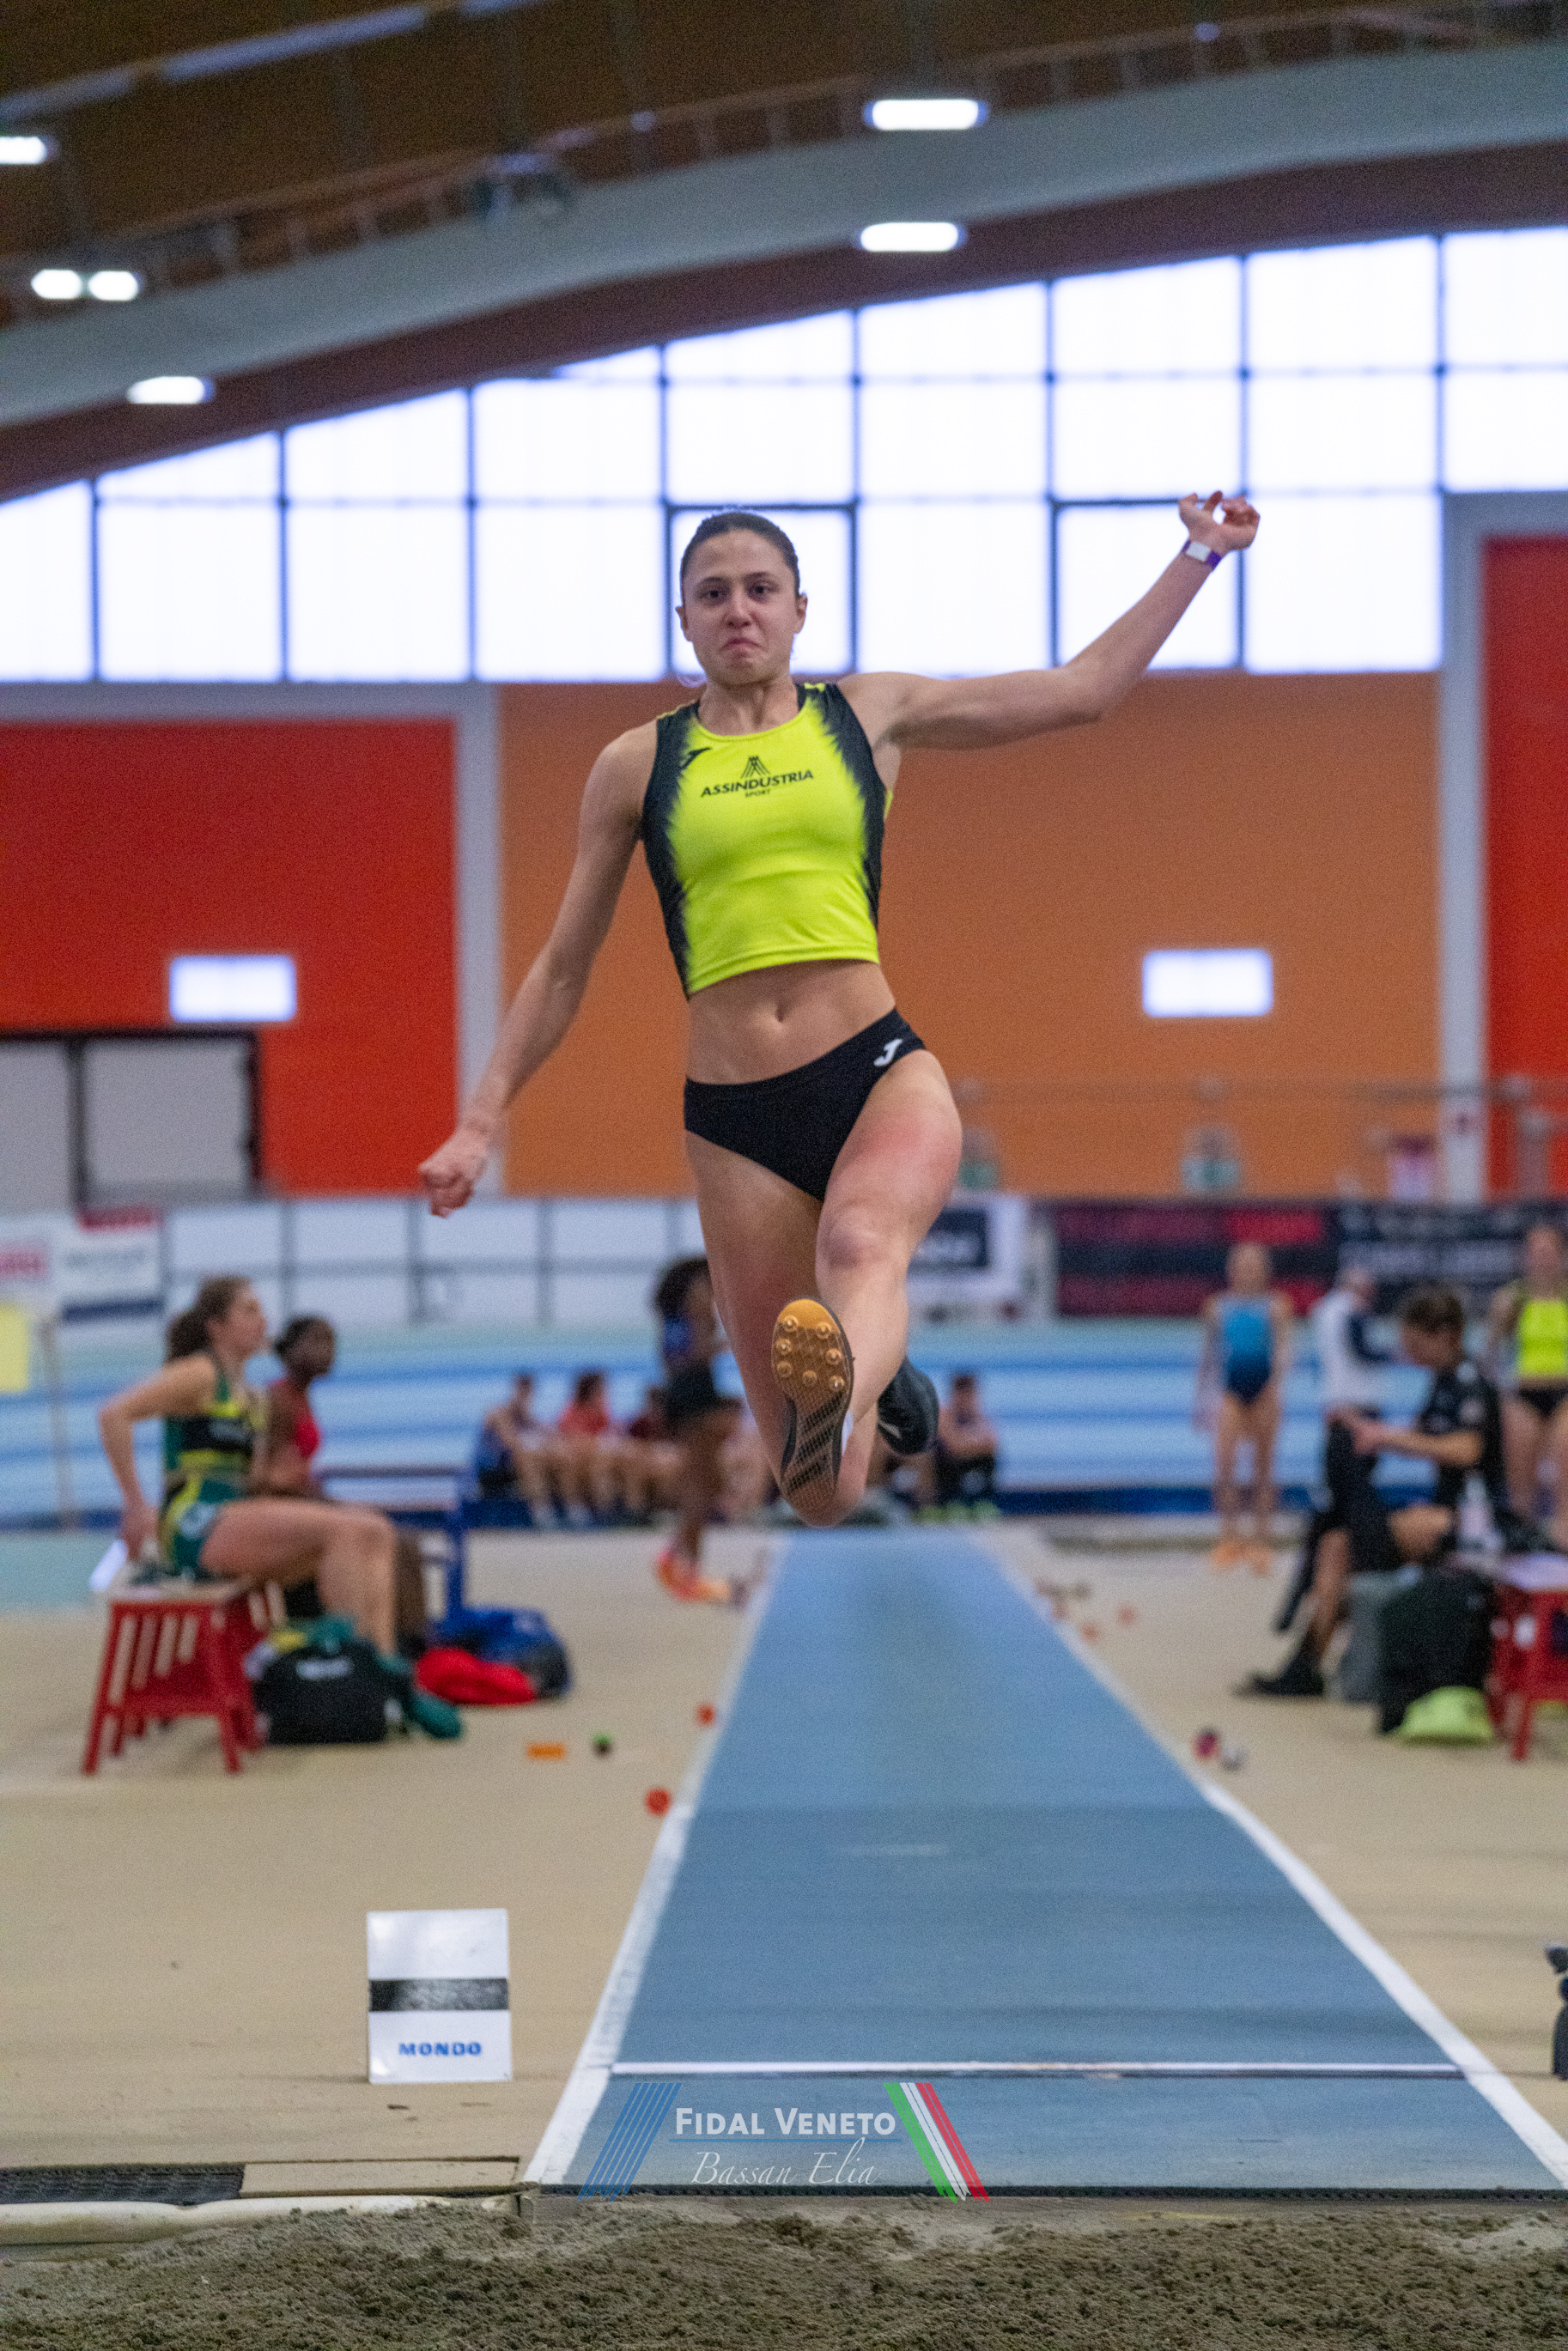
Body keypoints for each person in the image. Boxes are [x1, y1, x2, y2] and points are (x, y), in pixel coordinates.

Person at [420, 492, 1261, 1528]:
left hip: (874, 1073)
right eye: (712, 594)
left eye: (759, 589)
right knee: (818, 1490)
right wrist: (480, 1120)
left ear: (799, 609)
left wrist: (1197, 554)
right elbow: (561, 966)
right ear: (682, 619)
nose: (738, 610)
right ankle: (874, 1372)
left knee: (862, 1244)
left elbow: (1082, 690)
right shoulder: (637, 765)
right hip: (735, 1121)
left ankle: (853, 1367)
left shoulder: (867, 714)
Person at [95, 1276, 455, 1735]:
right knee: (345, 1531)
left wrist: (281, 1478)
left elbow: (251, 1478)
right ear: (217, 1326)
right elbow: (114, 1414)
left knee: (375, 1530)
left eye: (261, 1310)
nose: (262, 1319)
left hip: (236, 1514)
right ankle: (364, 1676)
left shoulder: (253, 1397)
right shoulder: (200, 1373)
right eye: (248, 1310)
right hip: (196, 1520)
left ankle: (385, 1676)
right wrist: (135, 1504)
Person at [1243, 1282, 1506, 1698]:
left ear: (1443, 1335)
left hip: (1478, 1519)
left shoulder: (1472, 1382)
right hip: (1445, 1509)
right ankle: (1308, 1664)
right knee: (1336, 1545)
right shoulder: (1442, 1381)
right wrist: (1366, 1429)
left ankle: (1320, 1663)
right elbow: (1420, 1435)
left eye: (1415, 1345)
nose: (1409, 1354)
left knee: (1349, 1546)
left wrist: (1386, 1437)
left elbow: (1466, 1449)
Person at [259, 1314, 428, 1648]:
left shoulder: (301, 1397)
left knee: (401, 1541)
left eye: (332, 1343)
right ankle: (394, 1644)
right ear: (290, 1349)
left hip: (305, 1499)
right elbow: (271, 1477)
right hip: (287, 1506)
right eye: (318, 1341)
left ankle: (407, 1641)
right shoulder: (278, 1400)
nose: (328, 1351)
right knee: (394, 1542)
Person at [651, 1255, 751, 1603]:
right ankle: (684, 1567)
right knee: (702, 1486)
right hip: (695, 1396)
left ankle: (677, 1557)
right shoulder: (694, 1314)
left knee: (706, 1482)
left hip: (688, 1394)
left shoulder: (671, 1320)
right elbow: (698, 1353)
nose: (711, 1295)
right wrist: (735, 1340)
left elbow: (671, 1360)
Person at [1194, 1242, 1294, 1570]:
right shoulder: (1216, 1307)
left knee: (1263, 1469)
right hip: (1231, 1393)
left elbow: (1283, 1350)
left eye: (1254, 1266)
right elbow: (1209, 1355)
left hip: (1264, 1390)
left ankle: (1261, 1542)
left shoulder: (1277, 1306)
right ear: (1231, 1270)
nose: (1248, 1272)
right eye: (1242, 1266)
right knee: (1225, 1466)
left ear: (1265, 1271)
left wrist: (1276, 1387)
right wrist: (1200, 1399)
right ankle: (1229, 1539)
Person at [1486, 1221, 1568, 1536]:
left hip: (1563, 1392)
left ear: (1561, 1255)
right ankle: (1522, 1539)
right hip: (1524, 1394)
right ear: (1526, 1256)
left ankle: (1562, 1538)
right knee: (1521, 1490)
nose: (1542, 1258)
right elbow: (1492, 1353)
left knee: (1564, 1478)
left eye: (1549, 1251)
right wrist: (1502, 1392)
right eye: (1536, 1251)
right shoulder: (1511, 1299)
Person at [476, 1370, 566, 1525]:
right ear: (515, 1390)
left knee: (558, 1456)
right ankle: (541, 1510)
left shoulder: (527, 1418)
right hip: (492, 1469)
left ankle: (571, 1508)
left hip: (513, 1468)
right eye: (522, 1392)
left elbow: (548, 1436)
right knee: (526, 1459)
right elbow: (512, 1443)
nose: (525, 1397)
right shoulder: (498, 1413)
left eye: (528, 1393)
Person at [932, 1371, 1000, 1512]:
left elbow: (993, 1444)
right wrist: (976, 1444)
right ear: (954, 1394)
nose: (965, 1399)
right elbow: (954, 1447)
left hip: (963, 1460)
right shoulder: (944, 1414)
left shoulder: (977, 1415)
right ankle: (946, 1503)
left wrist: (967, 1444)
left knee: (989, 1461)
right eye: (962, 1394)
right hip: (943, 1464)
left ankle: (984, 1503)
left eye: (969, 1394)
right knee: (948, 1461)